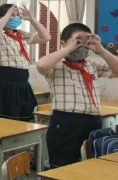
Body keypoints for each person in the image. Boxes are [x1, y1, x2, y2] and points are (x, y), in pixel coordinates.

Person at [36, 24, 118, 167]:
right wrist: (68, 48)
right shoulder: (57, 65)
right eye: (78, 41)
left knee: (91, 168)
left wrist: (101, 50)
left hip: (93, 122)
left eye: (86, 42)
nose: (81, 46)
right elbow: (41, 65)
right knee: (64, 168)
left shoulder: (91, 64)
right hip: (65, 123)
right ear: (63, 43)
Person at [0, 4, 51, 121]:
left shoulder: (20, 34)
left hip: (21, 82)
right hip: (3, 82)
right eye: (12, 15)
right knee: (1, 120)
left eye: (17, 15)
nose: (16, 18)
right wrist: (6, 16)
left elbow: (46, 37)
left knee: (21, 119)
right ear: (1, 18)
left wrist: (32, 19)